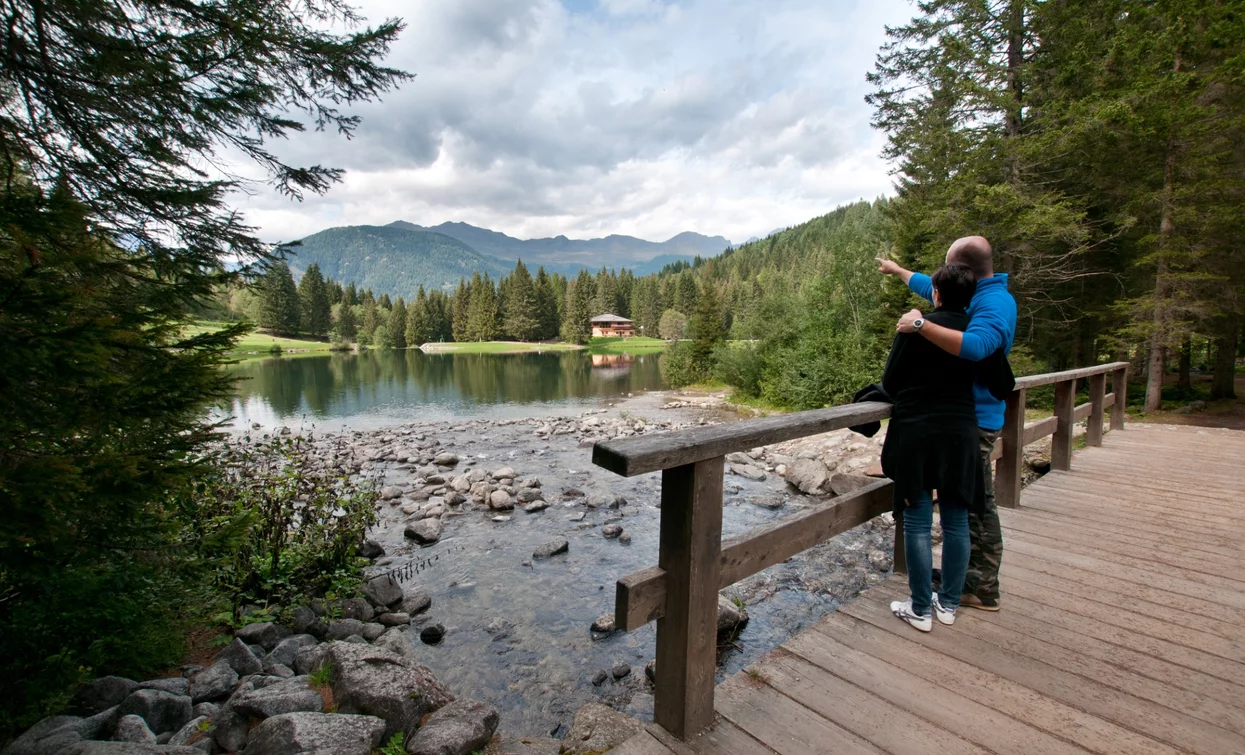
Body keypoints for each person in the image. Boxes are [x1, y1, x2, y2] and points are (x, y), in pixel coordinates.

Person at [877, 236, 1018, 611]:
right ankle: (956, 592)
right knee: (961, 512)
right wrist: (899, 271)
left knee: (977, 508)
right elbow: (931, 284)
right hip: (962, 422)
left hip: (972, 421)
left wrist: (920, 323)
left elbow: (976, 346)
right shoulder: (973, 294)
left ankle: (981, 586)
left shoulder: (993, 305)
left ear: (965, 275)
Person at [879, 263, 983, 632]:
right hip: (961, 432)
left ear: (935, 293)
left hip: (917, 433)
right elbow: (1000, 380)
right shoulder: (977, 330)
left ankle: (920, 608)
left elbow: (890, 382)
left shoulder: (914, 327)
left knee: (919, 523)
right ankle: (949, 604)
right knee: (957, 523)